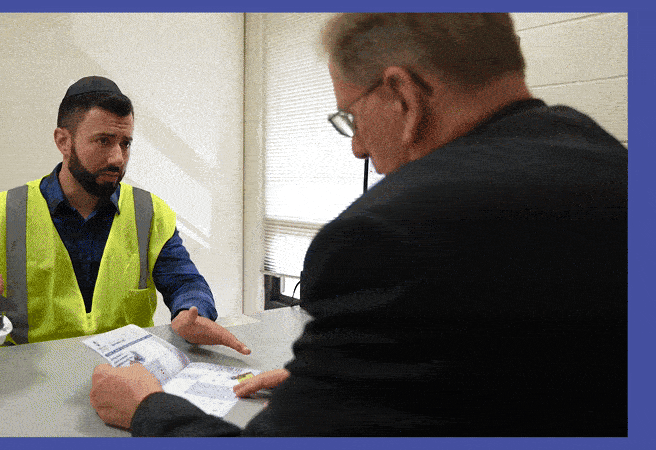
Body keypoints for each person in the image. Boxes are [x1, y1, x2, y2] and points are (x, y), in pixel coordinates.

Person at [89, 13, 627, 436]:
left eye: (351, 116)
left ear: (403, 95)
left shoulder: (385, 235)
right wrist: (345, 381)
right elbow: (525, 363)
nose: (358, 148)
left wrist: (148, 409)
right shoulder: (615, 166)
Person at [0, 75, 250, 353]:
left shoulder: (149, 213)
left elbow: (186, 282)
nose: (117, 158)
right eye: (103, 141)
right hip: (27, 378)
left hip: (125, 371)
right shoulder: (1, 214)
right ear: (63, 141)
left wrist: (193, 313)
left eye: (125, 143)